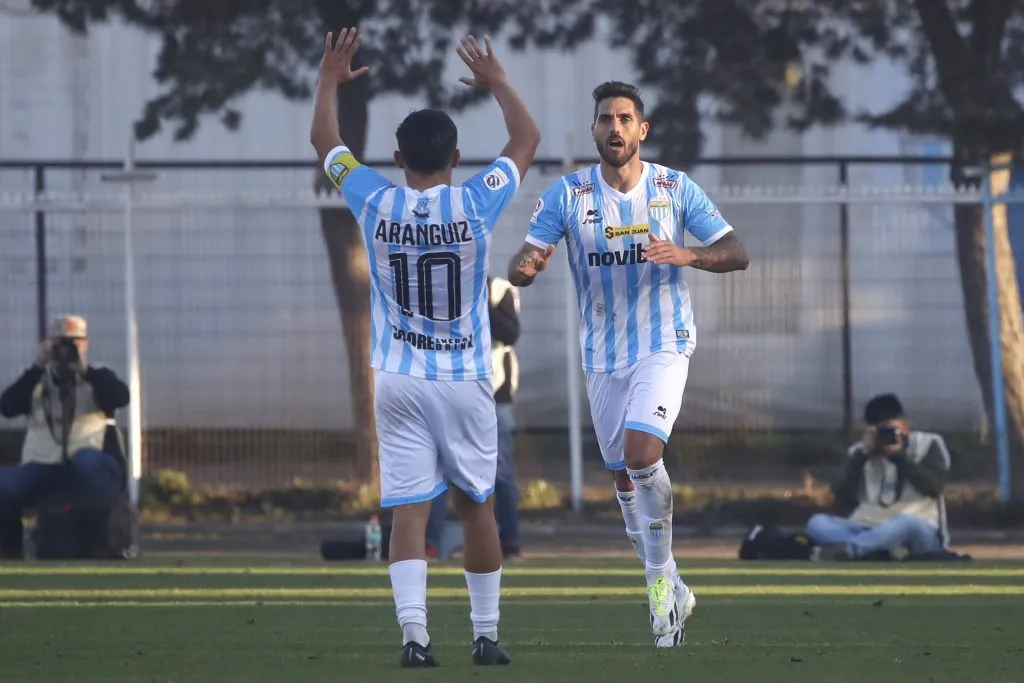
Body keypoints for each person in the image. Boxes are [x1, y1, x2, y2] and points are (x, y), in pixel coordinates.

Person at [310, 29, 540, 668]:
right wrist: (496, 82)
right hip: (466, 378)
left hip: (399, 378)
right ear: (457, 155)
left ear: (396, 155)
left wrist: (330, 80)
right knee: (476, 509)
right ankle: (486, 636)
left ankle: (415, 639)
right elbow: (526, 141)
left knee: (409, 511)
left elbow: (326, 144)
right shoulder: (474, 203)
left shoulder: (376, 202)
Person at [508, 81, 749, 647]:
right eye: (604, 119)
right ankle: (672, 584)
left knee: (644, 456)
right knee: (623, 478)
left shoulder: (673, 188)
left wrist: (688, 253)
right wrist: (527, 266)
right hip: (602, 354)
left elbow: (737, 252)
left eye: (624, 118)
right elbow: (527, 256)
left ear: (642, 129)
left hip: (664, 342)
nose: (614, 128)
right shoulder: (567, 195)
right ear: (594, 131)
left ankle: (660, 596)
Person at [0, 315, 129, 558]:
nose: (67, 349)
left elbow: (119, 398)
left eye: (75, 342)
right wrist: (37, 368)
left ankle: (99, 541)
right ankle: (9, 549)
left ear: (86, 343)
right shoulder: (36, 382)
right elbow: (7, 407)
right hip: (42, 466)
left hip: (88, 464)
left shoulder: (98, 376)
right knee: (5, 485)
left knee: (88, 464)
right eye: (60, 343)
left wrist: (84, 371)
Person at [426, 275, 523, 561]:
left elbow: (510, 333)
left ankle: (511, 544)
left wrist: (478, 301)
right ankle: (430, 543)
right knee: (441, 469)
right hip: (451, 392)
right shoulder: (442, 287)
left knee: (500, 472)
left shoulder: (499, 289)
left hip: (494, 397)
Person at [806, 393, 950, 560]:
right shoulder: (859, 452)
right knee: (816, 523)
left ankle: (850, 550)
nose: (884, 435)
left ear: (904, 426)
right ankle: (878, 550)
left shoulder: (927, 444)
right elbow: (843, 498)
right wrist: (861, 458)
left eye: (889, 428)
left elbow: (934, 487)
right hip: (867, 526)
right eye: (878, 430)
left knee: (906, 523)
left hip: (917, 531)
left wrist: (899, 457)